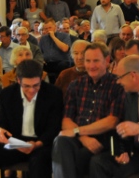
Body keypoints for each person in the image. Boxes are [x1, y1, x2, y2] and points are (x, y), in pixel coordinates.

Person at [0, 59, 63, 178]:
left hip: (42, 145)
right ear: (18, 80)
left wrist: (36, 144)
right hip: (16, 143)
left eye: (36, 85)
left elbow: (54, 128)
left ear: (41, 79)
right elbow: (0, 122)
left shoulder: (53, 94)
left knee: (39, 163)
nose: (32, 90)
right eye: (26, 86)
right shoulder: (7, 94)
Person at [52, 42, 125, 178]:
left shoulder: (118, 84)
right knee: (60, 141)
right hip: (79, 138)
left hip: (103, 140)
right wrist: (82, 137)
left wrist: (77, 131)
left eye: (96, 61)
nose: (91, 66)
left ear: (107, 60)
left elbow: (111, 121)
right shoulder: (76, 85)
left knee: (74, 158)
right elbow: (67, 119)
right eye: (88, 61)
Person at [39, 18, 71, 84]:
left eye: (50, 28)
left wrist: (53, 37)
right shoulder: (43, 39)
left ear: (55, 27)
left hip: (61, 62)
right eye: (46, 28)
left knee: (63, 65)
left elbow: (65, 49)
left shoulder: (64, 36)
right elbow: (40, 53)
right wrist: (42, 59)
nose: (48, 30)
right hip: (48, 63)